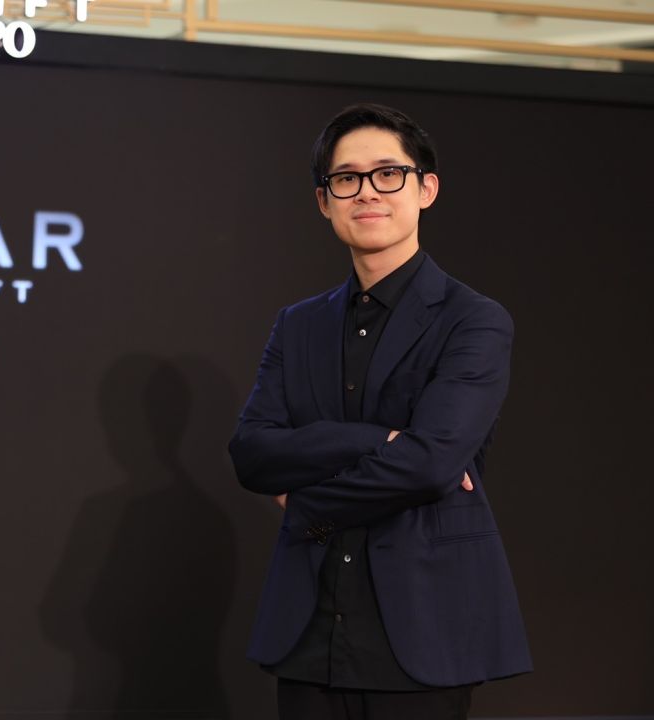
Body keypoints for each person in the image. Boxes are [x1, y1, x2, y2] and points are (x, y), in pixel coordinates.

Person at [228, 103, 532, 719]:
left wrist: (306, 504)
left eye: (388, 173)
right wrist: (376, 439)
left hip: (424, 629)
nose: (367, 191)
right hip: (309, 633)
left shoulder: (473, 320)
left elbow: (430, 464)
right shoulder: (297, 325)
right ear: (324, 201)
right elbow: (252, 453)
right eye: (346, 178)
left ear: (426, 189)